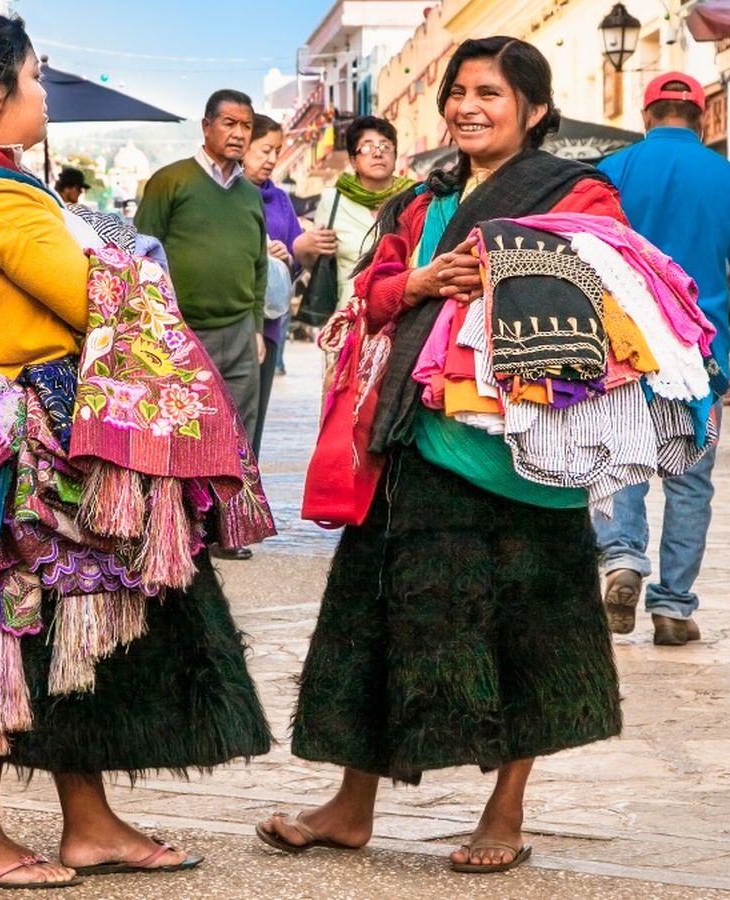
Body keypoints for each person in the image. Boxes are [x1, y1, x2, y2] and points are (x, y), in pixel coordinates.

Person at [0, 13, 270, 888]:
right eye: (37, 78)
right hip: (17, 454)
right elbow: (101, 302)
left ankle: (89, 823)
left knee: (47, 638)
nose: (46, 95)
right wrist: (127, 251)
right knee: (2, 640)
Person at [256, 36, 624, 876]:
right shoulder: (422, 204)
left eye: (489, 92)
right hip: (416, 444)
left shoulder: (582, 195)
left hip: (526, 451)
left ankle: (506, 807)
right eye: (458, 91)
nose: (467, 107)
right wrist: (419, 286)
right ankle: (351, 806)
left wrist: (501, 271)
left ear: (532, 109)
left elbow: (606, 291)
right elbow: (370, 296)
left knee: (528, 630)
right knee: (374, 617)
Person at [591, 72, 730, 647]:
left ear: (646, 116)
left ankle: (621, 559)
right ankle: (673, 607)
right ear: (702, 119)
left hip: (622, 349)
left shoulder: (613, 171)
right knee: (690, 481)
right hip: (702, 355)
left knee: (622, 462)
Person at [136, 89, 268, 561]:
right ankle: (180, 530)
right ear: (207, 126)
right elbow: (142, 253)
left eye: (245, 126)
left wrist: (255, 326)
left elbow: (257, 265)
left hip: (237, 330)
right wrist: (156, 323)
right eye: (229, 123)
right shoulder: (170, 181)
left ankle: (227, 531)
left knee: (241, 431)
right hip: (182, 330)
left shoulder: (252, 195)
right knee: (184, 429)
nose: (237, 134)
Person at [242, 115, 319, 457]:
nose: (272, 159)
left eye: (277, 150)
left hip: (270, 322)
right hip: (228, 321)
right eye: (264, 150)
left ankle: (248, 501)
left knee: (254, 420)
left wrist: (289, 253)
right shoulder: (225, 194)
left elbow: (295, 258)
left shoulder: (280, 200)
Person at [306, 116, 416, 323]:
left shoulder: (414, 197)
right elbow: (318, 259)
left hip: (402, 316)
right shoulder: (333, 200)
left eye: (385, 146)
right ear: (353, 160)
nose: (377, 153)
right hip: (349, 317)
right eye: (366, 147)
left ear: (395, 156)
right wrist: (303, 248)